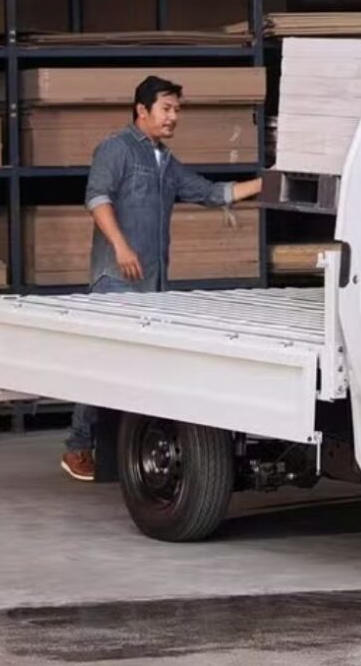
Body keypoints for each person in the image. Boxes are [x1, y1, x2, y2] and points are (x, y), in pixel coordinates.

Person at [60, 75, 262, 481]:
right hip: (114, 278)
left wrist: (270, 182)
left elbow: (212, 194)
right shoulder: (115, 149)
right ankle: (78, 447)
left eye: (177, 111)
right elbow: (97, 198)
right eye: (166, 109)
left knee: (134, 368)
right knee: (103, 363)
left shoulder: (166, 162)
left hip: (152, 285)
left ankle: (121, 453)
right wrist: (120, 246)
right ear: (142, 110)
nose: (173, 118)